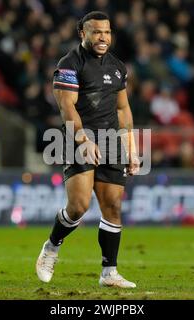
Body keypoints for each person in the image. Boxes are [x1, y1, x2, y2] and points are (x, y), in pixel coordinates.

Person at [36, 11, 140, 288]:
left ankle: (109, 273)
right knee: (79, 206)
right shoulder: (69, 64)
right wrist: (83, 139)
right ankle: (52, 246)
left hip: (110, 140)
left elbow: (122, 108)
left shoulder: (118, 67)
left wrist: (131, 147)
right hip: (77, 138)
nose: (103, 37)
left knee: (113, 206)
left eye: (107, 32)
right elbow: (66, 106)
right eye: (96, 32)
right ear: (83, 33)